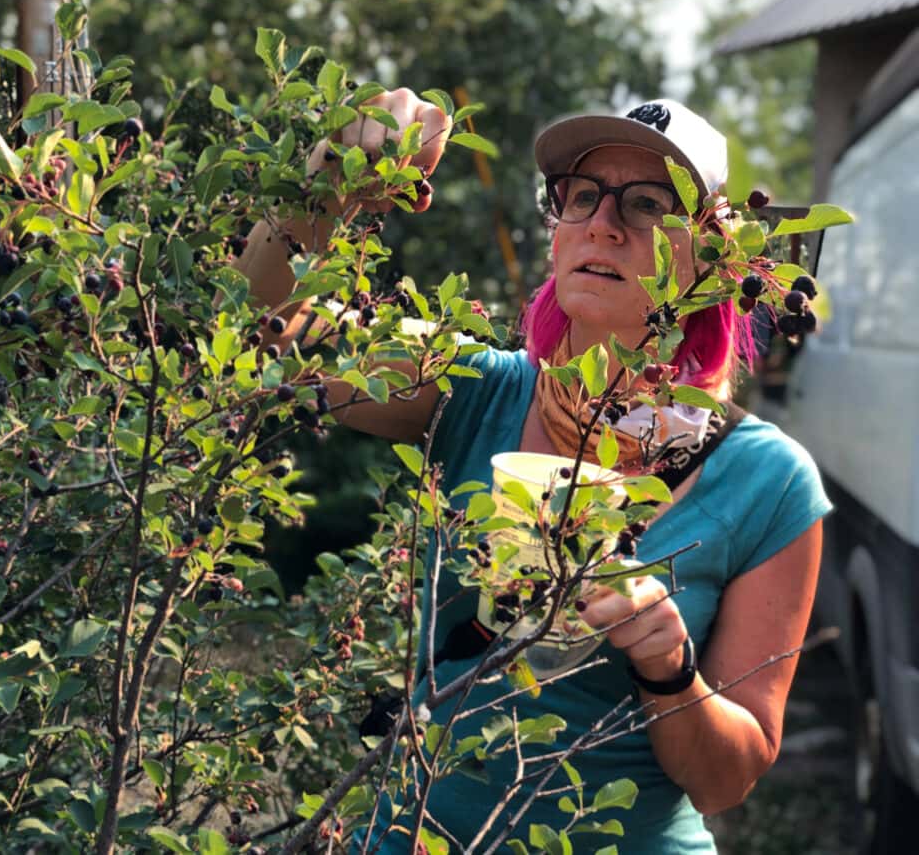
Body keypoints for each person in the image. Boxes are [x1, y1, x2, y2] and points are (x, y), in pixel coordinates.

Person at [232, 92, 831, 854]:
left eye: (648, 203)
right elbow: (269, 325)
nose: (603, 223)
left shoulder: (768, 481)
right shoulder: (474, 386)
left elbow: (725, 782)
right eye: (583, 196)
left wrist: (668, 667)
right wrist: (337, 169)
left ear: (709, 257)